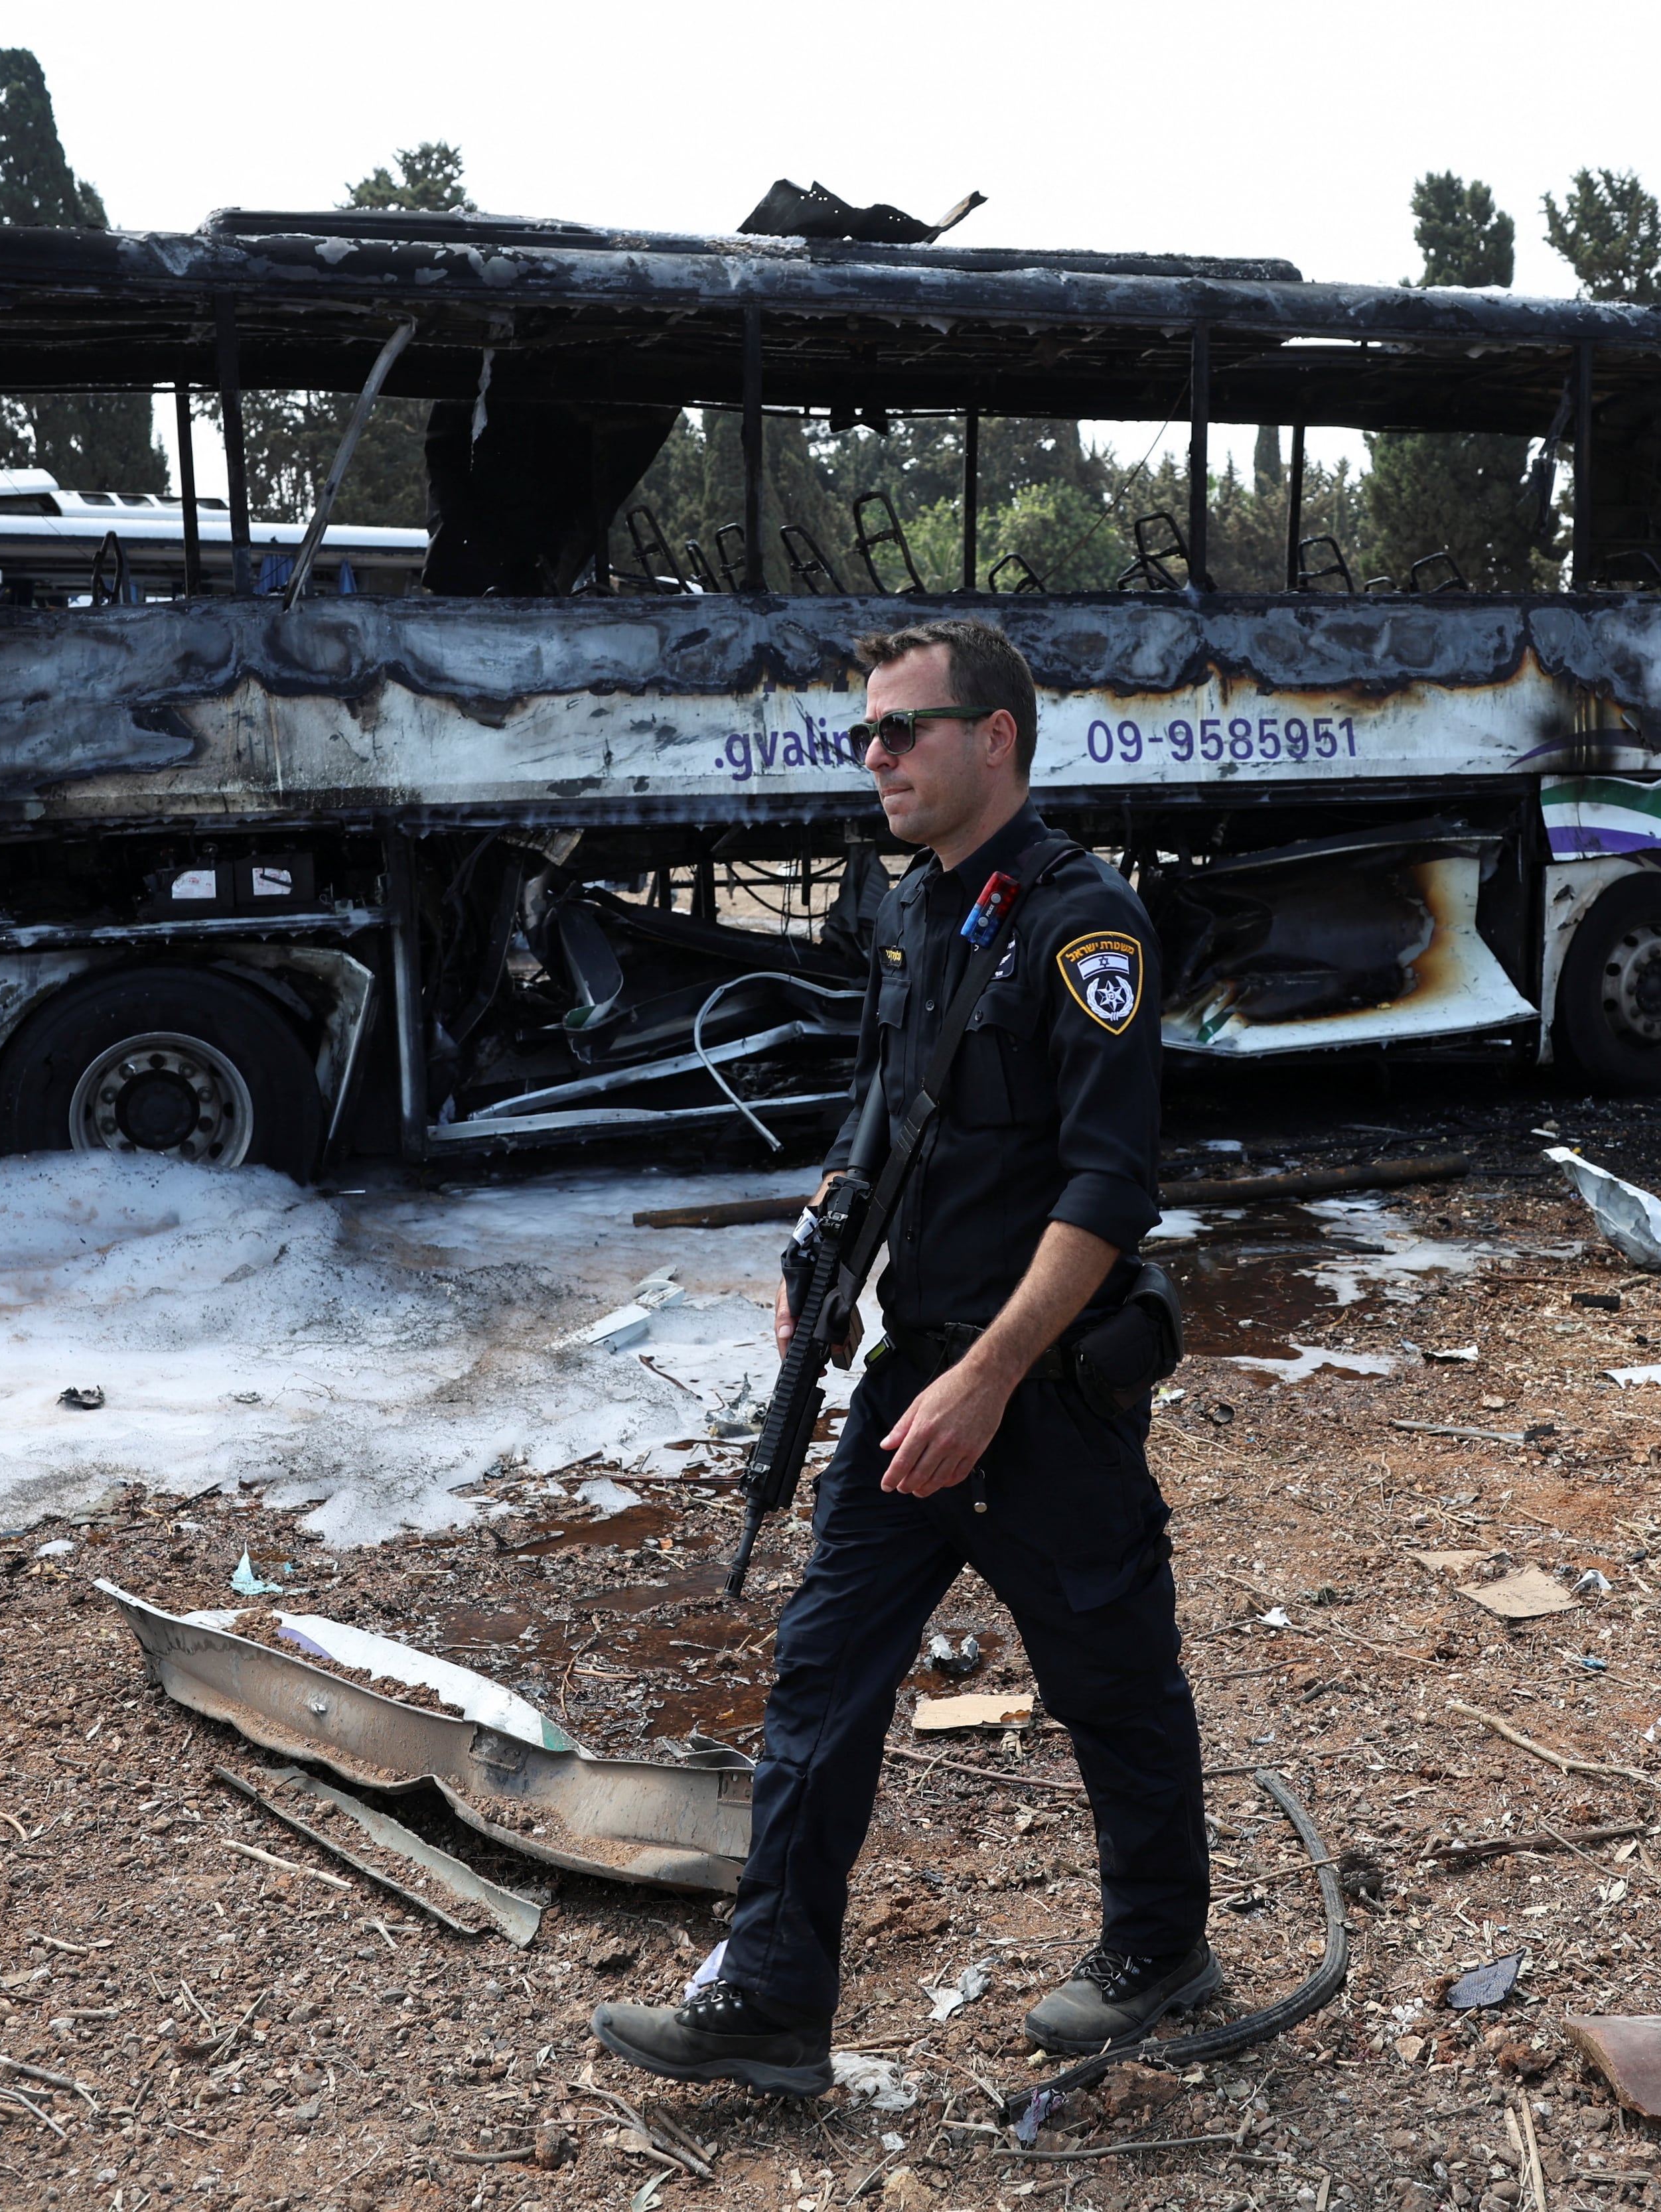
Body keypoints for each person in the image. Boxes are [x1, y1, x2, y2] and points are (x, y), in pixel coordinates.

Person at [593, 618, 1212, 2095]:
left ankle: (1160, 1948)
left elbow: (1109, 1186)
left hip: (1040, 1391)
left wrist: (990, 1373)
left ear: (993, 737)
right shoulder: (909, 911)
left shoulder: (1087, 924)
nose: (871, 756)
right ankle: (770, 2001)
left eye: (899, 730)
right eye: (863, 732)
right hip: (904, 1376)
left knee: (1111, 1679)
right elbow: (887, 1110)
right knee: (819, 1676)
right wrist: (821, 1235)